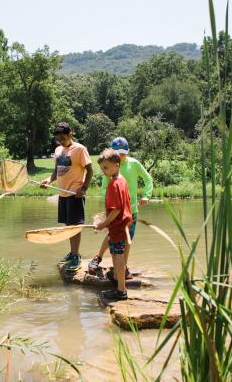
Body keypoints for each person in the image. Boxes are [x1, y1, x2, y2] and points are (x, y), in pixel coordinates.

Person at [88, 137, 153, 278]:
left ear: (128, 151)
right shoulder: (109, 166)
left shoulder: (134, 164)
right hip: (115, 209)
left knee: (127, 238)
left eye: (123, 152)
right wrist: (114, 200)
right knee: (112, 235)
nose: (121, 155)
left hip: (131, 211)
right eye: (118, 152)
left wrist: (146, 195)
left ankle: (123, 268)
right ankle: (98, 257)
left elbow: (148, 179)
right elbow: (105, 188)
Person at [40, 122, 93, 272]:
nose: (61, 141)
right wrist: (48, 180)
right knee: (68, 225)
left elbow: (90, 171)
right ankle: (72, 253)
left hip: (75, 194)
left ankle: (76, 256)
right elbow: (57, 172)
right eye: (58, 139)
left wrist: (83, 189)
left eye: (63, 138)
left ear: (71, 134)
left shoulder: (80, 149)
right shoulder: (58, 150)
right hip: (62, 194)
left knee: (75, 226)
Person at [95, 148, 133, 300]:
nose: (103, 171)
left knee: (118, 256)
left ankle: (121, 291)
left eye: (106, 167)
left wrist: (103, 224)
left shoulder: (114, 184)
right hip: (123, 224)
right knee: (117, 253)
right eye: (102, 168)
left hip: (118, 225)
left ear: (116, 165)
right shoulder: (122, 180)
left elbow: (116, 209)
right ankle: (117, 279)